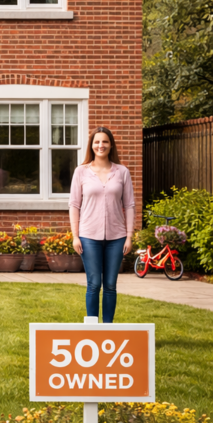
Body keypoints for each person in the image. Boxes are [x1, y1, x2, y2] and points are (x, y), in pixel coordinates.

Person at [69, 127, 135, 323]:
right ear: (91, 145)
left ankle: (108, 328)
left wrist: (129, 236)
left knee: (110, 285)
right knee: (94, 284)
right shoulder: (81, 172)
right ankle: (92, 328)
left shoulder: (122, 172)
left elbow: (129, 205)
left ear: (111, 145)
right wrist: (75, 236)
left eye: (105, 141)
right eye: (97, 142)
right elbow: (74, 205)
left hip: (117, 237)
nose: (101, 145)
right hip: (88, 236)